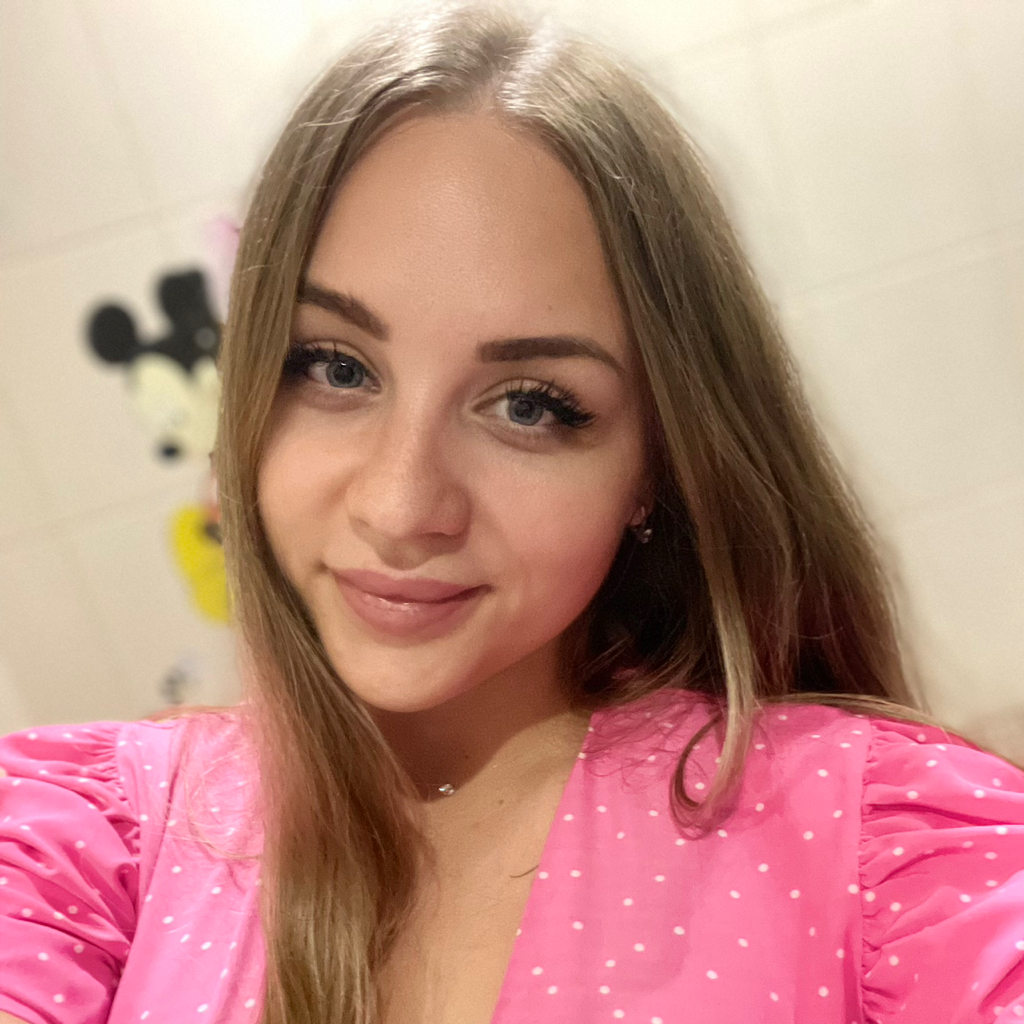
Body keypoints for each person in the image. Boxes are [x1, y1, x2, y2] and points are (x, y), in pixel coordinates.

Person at [1, 5, 1023, 1023]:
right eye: (335, 367)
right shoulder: (84, 851)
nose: (401, 506)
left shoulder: (879, 853)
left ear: (655, 464)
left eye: (530, 405)